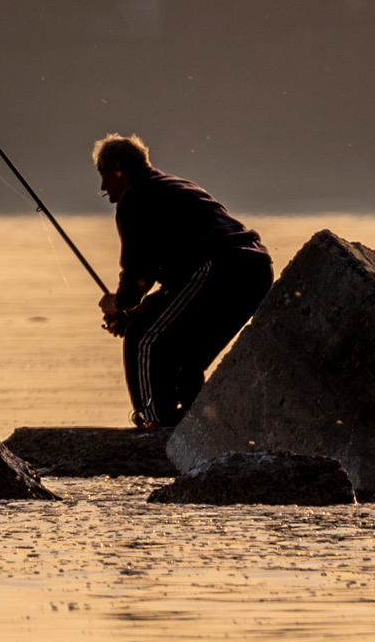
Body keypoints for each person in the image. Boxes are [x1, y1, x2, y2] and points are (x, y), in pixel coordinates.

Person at [92, 133, 272, 428]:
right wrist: (143, 306)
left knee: (143, 338)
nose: (102, 186)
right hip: (255, 269)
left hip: (220, 266)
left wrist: (119, 304)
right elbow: (179, 279)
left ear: (119, 168)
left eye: (104, 175)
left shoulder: (134, 197)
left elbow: (138, 274)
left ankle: (153, 428)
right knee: (187, 359)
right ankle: (191, 428)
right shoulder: (174, 186)